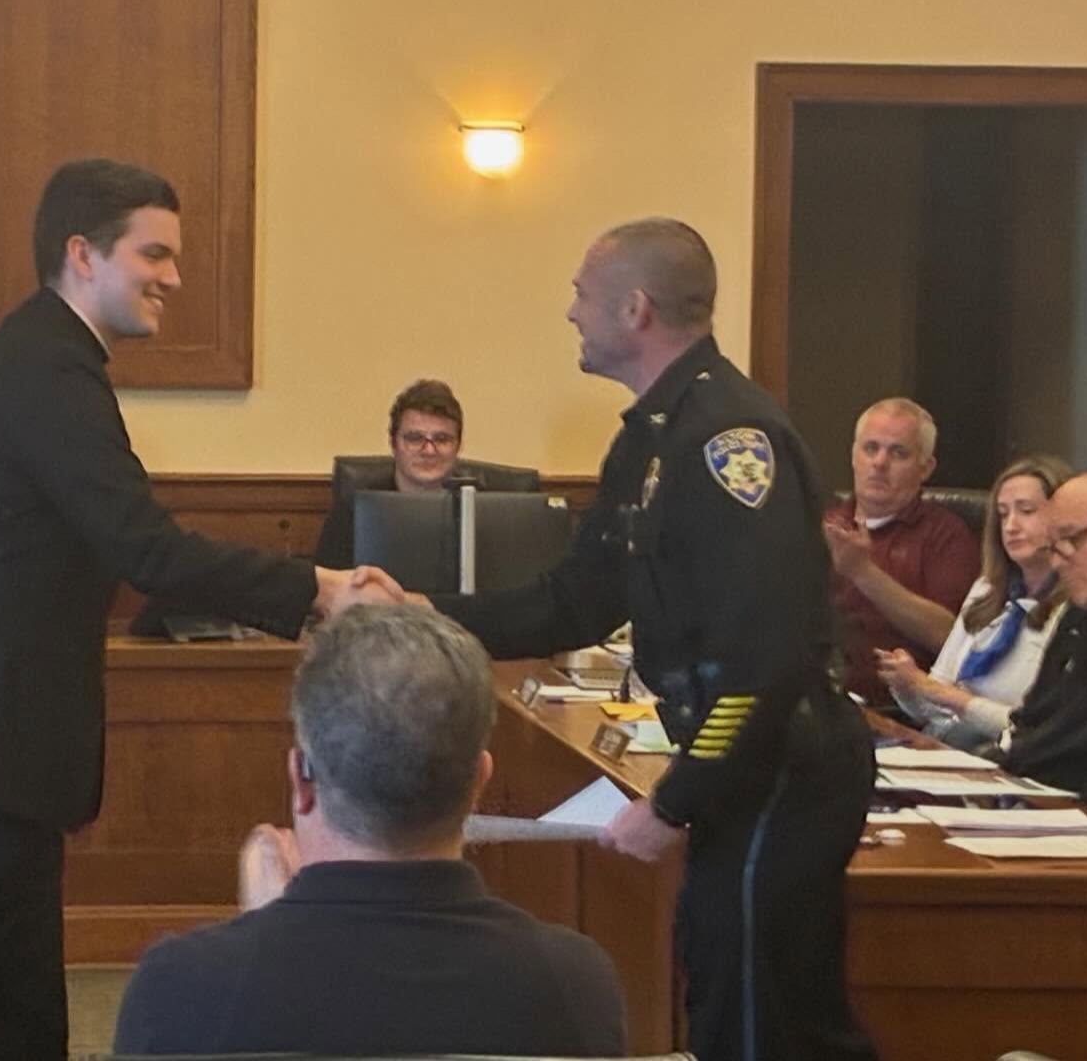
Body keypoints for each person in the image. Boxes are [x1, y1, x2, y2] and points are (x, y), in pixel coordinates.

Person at [0, 159, 397, 1061]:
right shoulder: (45, 369)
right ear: (82, 254)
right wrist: (320, 590)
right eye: (155, 253)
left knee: (12, 1018)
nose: (174, 275)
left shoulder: (51, 359)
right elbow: (145, 549)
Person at [358, 219, 875, 1061]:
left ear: (633, 309)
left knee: (764, 1026)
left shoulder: (727, 443)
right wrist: (418, 609)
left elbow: (764, 658)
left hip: (783, 771)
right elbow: (573, 605)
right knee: (724, 999)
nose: (570, 314)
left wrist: (678, 800)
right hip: (746, 771)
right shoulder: (652, 439)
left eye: (581, 296)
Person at [112, 604, 628, 1056]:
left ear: (300, 780)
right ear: (479, 784)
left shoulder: (179, 987)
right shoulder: (575, 985)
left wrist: (263, 933)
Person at [877, 455, 1072, 750]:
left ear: (1066, 518)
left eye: (1027, 511)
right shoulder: (987, 590)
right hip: (947, 747)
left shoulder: (1077, 611)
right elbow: (936, 710)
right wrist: (907, 686)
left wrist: (942, 695)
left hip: (1006, 759)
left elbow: (1039, 729)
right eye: (1003, 514)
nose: (1011, 526)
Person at [822, 398, 980, 713]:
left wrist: (863, 573)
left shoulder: (946, 535)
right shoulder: (821, 524)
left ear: (925, 468)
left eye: (898, 453)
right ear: (853, 456)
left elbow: (948, 638)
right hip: (822, 702)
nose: (880, 462)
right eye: (870, 448)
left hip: (901, 713)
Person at [990, 468, 1087, 798]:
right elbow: (1033, 718)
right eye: (1053, 547)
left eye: (1071, 540)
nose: (1057, 563)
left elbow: (1083, 746)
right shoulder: (1080, 616)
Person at [313, 378, 465, 568]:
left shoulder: (480, 508)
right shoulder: (356, 508)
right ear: (393, 444)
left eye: (442, 439)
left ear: (458, 446)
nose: (428, 450)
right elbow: (329, 587)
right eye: (414, 438)